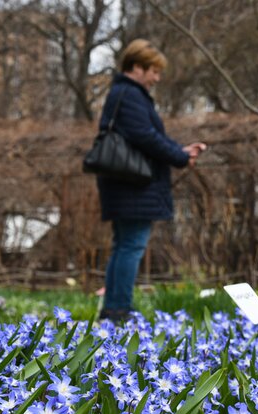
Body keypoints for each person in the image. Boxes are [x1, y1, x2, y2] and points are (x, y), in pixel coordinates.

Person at [95, 39, 207, 322]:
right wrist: (179, 157)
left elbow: (144, 137)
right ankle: (119, 310)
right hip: (133, 184)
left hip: (126, 182)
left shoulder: (124, 93)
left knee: (124, 244)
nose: (156, 78)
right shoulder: (130, 94)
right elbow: (145, 137)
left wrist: (178, 151)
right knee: (131, 244)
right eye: (153, 71)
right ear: (137, 67)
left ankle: (113, 308)